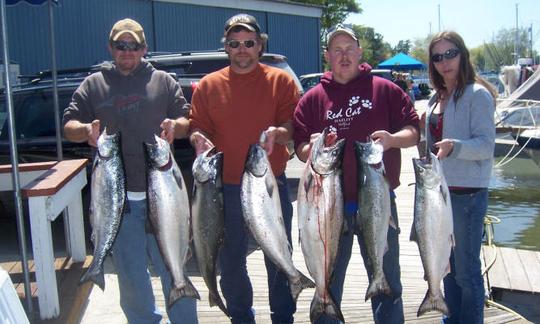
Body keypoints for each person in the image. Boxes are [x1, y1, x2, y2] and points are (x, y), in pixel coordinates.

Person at [62, 18, 198, 324]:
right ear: (110, 47)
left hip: (164, 197)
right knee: (131, 276)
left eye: (133, 46)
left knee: (173, 265)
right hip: (117, 203)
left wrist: (175, 125)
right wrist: (85, 130)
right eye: (121, 45)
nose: (127, 51)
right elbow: (68, 125)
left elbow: (187, 120)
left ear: (144, 48)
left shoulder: (163, 81)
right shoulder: (93, 84)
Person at [293, 24, 419, 324]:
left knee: (387, 281)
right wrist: (306, 151)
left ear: (360, 52)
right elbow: (298, 145)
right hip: (328, 209)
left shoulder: (386, 90)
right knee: (328, 282)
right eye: (337, 50)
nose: (344, 55)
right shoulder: (312, 99)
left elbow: (414, 131)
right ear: (327, 56)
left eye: (349, 48)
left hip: (377, 203)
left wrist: (392, 139)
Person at [188, 13, 300, 324]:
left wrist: (281, 134)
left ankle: (283, 316)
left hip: (269, 187)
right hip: (223, 190)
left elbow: (292, 125)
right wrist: (198, 137)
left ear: (260, 45)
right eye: (234, 44)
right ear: (225, 47)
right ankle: (240, 316)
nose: (242, 49)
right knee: (232, 260)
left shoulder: (281, 81)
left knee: (278, 257)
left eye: (248, 43)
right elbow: (199, 127)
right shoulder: (208, 85)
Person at [423, 30, 496, 324]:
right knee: (447, 268)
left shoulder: (477, 95)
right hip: (439, 196)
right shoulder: (435, 97)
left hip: (467, 196)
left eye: (450, 54)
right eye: (437, 57)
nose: (444, 62)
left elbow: (486, 146)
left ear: (462, 54)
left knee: (467, 273)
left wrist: (456, 147)